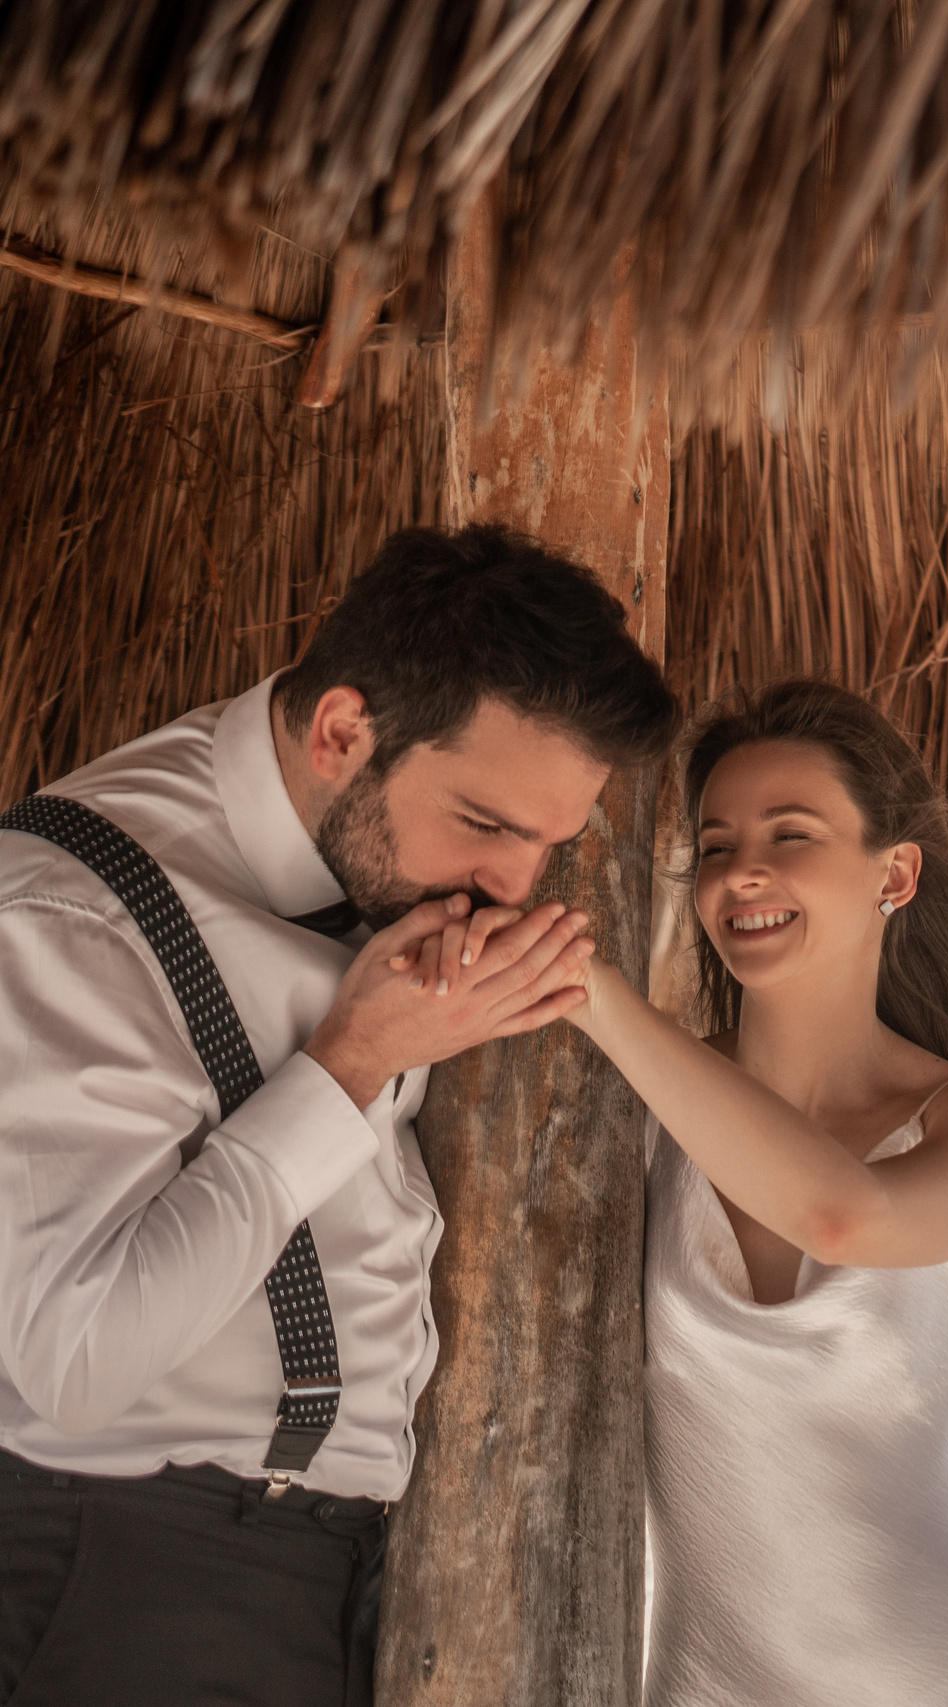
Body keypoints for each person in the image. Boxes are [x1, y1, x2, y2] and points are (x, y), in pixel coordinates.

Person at [0, 525, 677, 1707]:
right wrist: (352, 1064)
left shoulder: (379, 864)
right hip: (127, 1575)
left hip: (338, 1585)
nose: (515, 884)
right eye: (488, 823)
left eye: (549, 843)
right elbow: (77, 1361)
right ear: (342, 734)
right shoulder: (66, 917)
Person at [480, 678, 948, 1706]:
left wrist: (597, 996)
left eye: (791, 834)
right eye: (715, 845)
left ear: (894, 872)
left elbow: (844, 1215)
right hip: (717, 1683)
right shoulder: (637, 1119)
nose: (742, 871)